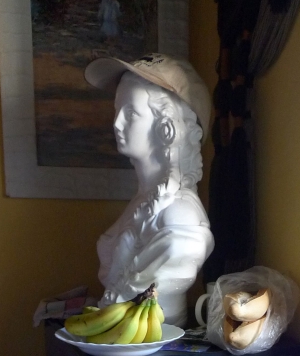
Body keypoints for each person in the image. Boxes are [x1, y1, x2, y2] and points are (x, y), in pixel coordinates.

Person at [84, 54, 214, 326]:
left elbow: (180, 250)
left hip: (156, 338)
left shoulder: (180, 214)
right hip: (123, 334)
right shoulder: (143, 200)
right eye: (117, 110)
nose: (116, 123)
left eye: (131, 113)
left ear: (167, 126)